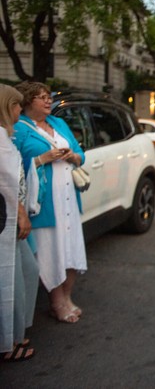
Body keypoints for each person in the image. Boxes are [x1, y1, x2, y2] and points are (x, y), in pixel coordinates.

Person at [12, 81, 87, 324]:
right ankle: (56, 302)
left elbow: (80, 153)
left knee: (71, 249)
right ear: (27, 102)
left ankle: (67, 296)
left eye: (49, 97)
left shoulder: (58, 123)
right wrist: (42, 158)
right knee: (51, 251)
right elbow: (12, 168)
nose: (48, 101)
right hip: (44, 204)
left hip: (69, 201)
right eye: (42, 97)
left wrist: (73, 156)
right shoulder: (20, 129)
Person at [0, 84, 39, 361]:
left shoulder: (5, 136)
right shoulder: (0, 140)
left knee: (28, 271)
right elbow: (6, 185)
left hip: (13, 219)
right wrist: (22, 214)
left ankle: (16, 333)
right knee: (11, 279)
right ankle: (10, 342)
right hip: (8, 222)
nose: (19, 110)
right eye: (16, 105)